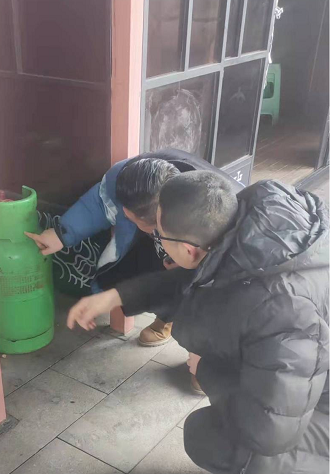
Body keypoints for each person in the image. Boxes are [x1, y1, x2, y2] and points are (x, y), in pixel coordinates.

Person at [67, 171, 329, 474]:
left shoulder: (283, 309)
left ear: (189, 248)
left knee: (210, 438)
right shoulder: (257, 230)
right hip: (310, 377)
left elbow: (268, 432)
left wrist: (205, 368)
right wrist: (116, 296)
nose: (159, 242)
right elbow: (196, 276)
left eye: (160, 236)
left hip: (312, 401)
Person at [26, 149, 241, 361]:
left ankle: (179, 331)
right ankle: (169, 317)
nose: (123, 216)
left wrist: (204, 365)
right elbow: (100, 202)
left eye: (130, 218)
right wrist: (60, 235)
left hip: (217, 277)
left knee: (198, 313)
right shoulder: (135, 178)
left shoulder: (227, 246)